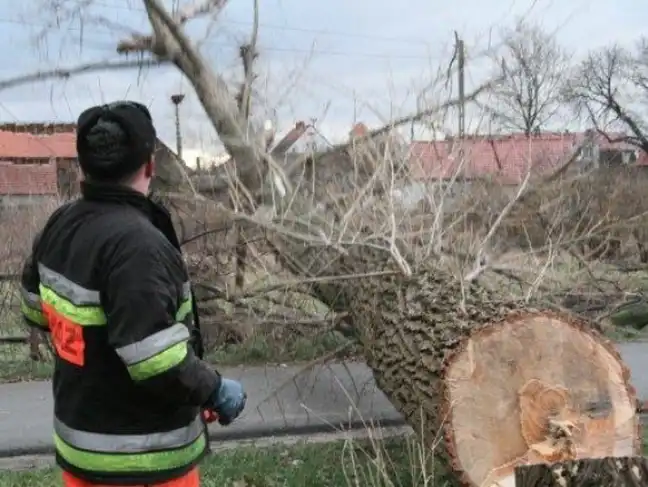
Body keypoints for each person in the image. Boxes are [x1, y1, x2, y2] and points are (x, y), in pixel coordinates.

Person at [19, 101, 246, 487]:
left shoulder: (60, 225)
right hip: (144, 463)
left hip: (82, 451)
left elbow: (36, 311)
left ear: (82, 167)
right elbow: (157, 362)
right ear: (150, 165)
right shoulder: (139, 245)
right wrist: (214, 390)